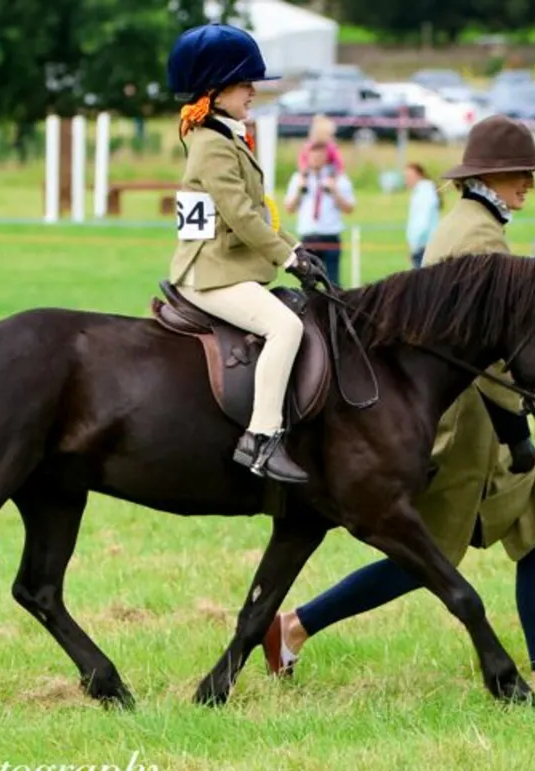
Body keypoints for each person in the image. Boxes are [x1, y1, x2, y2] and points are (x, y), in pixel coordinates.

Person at [263, 115, 535, 694]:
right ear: (490, 175)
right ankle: (296, 625)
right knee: (429, 555)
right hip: (470, 428)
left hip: (474, 418)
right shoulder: (480, 236)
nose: (528, 185)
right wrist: (518, 434)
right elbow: (481, 355)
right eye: (521, 175)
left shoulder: (469, 221)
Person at [166, 23, 329, 482]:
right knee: (285, 327)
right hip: (210, 273)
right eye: (245, 84)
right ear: (216, 91)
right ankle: (261, 439)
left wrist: (298, 247)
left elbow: (261, 211)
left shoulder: (225, 137)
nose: (253, 91)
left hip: (230, 265)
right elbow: (240, 215)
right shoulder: (213, 146)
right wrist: (287, 259)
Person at [283, 140, 356, 286]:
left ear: (326, 158)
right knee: (309, 282)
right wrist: (299, 190)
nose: (316, 160)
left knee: (333, 282)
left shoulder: (338, 178)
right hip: (309, 238)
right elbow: (289, 209)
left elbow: (349, 208)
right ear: (307, 157)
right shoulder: (299, 178)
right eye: (313, 157)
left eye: (320, 157)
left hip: (330, 237)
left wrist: (335, 191)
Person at [404, 162, 440, 269]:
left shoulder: (424, 193)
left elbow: (422, 223)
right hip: (424, 247)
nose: (406, 180)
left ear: (419, 176)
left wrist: (414, 247)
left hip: (423, 248)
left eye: (409, 176)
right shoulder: (424, 192)